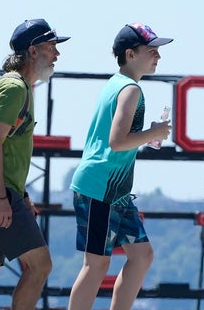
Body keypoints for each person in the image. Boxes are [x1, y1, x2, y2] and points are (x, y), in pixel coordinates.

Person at [0, 19, 70, 310]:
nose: (57, 55)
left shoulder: (17, 86)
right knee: (40, 266)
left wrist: (20, 195)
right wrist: (1, 197)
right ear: (33, 51)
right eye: (52, 47)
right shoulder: (14, 87)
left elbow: (2, 147)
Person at [68, 22, 173, 310]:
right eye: (152, 51)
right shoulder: (130, 89)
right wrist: (153, 134)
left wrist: (149, 133)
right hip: (100, 186)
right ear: (130, 53)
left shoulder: (118, 84)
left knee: (142, 255)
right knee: (96, 264)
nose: (158, 57)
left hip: (114, 191)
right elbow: (117, 141)